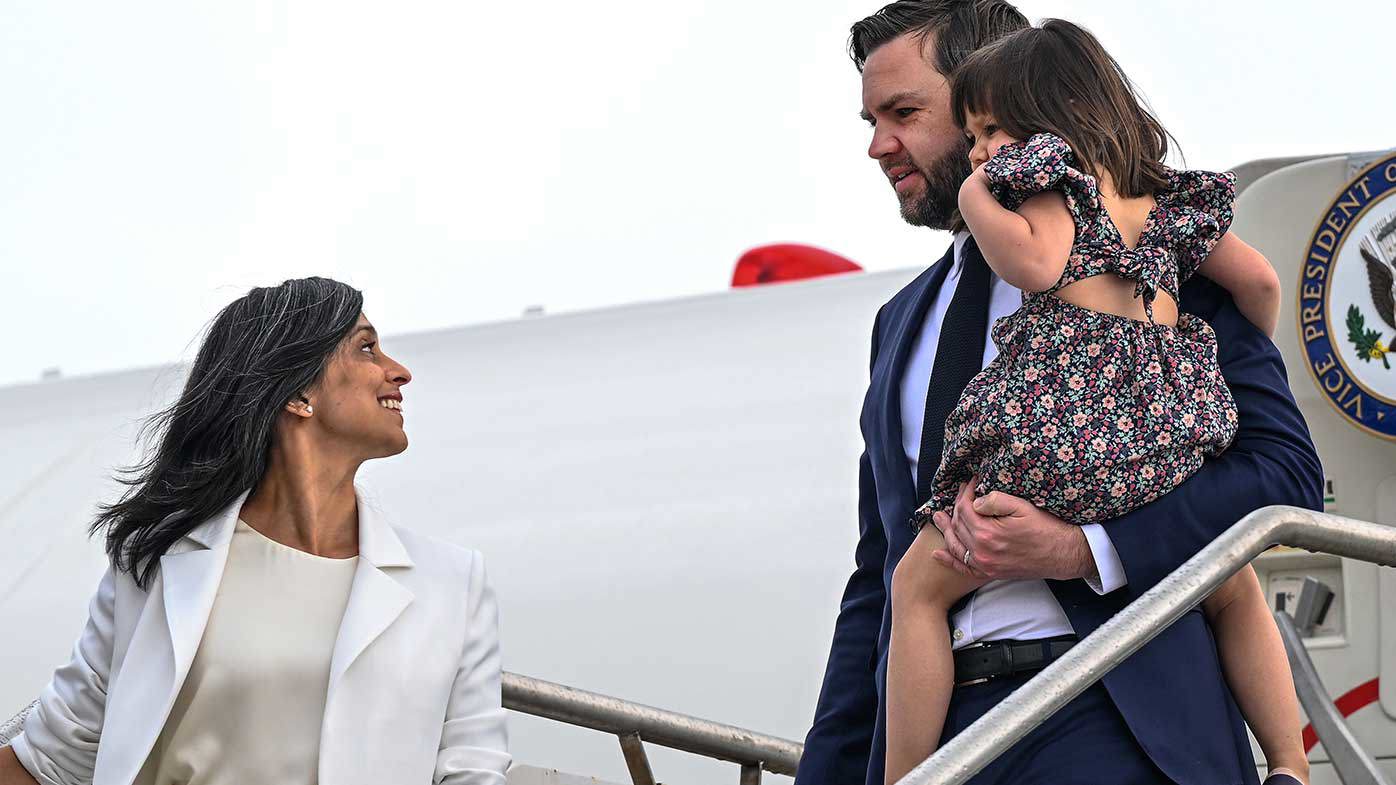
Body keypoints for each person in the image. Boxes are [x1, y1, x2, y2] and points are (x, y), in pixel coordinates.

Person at [794, 3, 1324, 785]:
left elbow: (1282, 476)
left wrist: (1086, 550)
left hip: (1116, 714)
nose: (879, 145)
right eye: (871, 120)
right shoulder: (898, 324)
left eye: (905, 113)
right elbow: (878, 581)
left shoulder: (1152, 249)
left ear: (1001, 92)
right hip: (943, 739)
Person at [0, 278, 510, 785]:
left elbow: (473, 772)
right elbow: (51, 761)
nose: (399, 372)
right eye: (367, 348)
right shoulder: (156, 561)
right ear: (298, 392)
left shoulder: (453, 583)